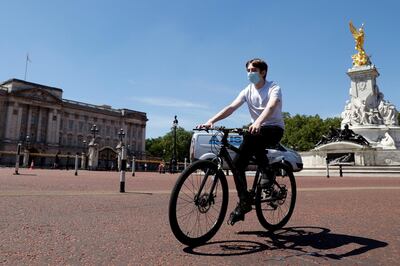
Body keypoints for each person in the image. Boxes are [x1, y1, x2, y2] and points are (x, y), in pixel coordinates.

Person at [198, 58, 285, 225]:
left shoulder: (273, 87)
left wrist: (258, 122)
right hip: (256, 129)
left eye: (253, 70)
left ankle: (267, 171)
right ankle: (244, 201)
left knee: (253, 136)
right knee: (237, 164)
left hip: (273, 129)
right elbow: (231, 107)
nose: (250, 73)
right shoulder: (247, 90)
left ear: (263, 72)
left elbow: (272, 105)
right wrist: (211, 121)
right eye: (248, 71)